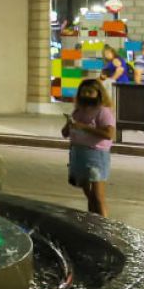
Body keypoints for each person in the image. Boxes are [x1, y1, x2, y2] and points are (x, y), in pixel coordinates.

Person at [62, 79, 115, 216]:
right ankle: (93, 222)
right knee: (89, 195)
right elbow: (64, 133)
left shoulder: (103, 112)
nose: (86, 95)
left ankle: (105, 227)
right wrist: (69, 125)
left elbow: (109, 134)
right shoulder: (78, 111)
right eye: (83, 92)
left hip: (96, 155)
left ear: (99, 94)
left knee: (98, 196)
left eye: (90, 92)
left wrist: (84, 127)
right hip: (79, 154)